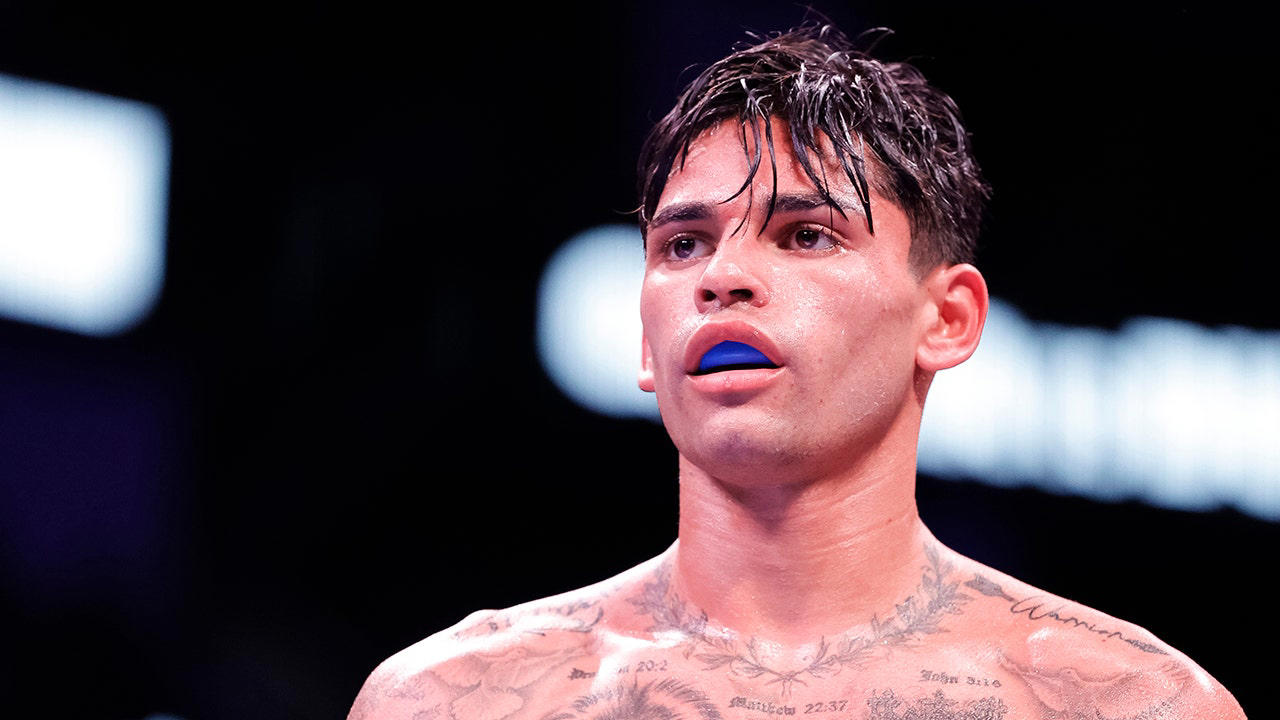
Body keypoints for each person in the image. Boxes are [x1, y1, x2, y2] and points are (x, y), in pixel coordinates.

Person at [348, 25, 1245, 719]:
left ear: (949, 317)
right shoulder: (460, 699)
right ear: (642, 342)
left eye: (805, 234)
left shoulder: (1124, 704)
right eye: (683, 243)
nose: (721, 277)